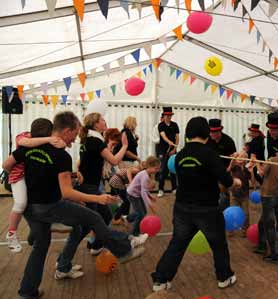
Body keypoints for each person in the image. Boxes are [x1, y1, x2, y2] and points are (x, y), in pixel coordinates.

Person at [2, 111, 146, 299]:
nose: (77, 136)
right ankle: (123, 251)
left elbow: (7, 165)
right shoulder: (61, 155)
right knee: (93, 217)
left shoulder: (29, 147)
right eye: (75, 132)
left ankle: (28, 292)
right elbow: (66, 192)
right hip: (49, 206)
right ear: (67, 131)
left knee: (41, 245)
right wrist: (97, 199)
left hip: (30, 208)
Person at [151, 116, 241, 292]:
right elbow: (226, 181)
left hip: (182, 208)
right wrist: (236, 182)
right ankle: (224, 277)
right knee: (218, 244)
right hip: (207, 209)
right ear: (206, 134)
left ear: (188, 134)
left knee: (177, 243)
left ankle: (160, 280)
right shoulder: (209, 154)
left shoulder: (180, 156)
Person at [6, 118, 66, 253]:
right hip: (18, 177)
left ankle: (38, 231)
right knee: (21, 203)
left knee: (35, 201)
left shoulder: (41, 142)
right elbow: (23, 143)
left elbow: (61, 145)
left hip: (28, 176)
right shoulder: (24, 136)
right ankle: (11, 234)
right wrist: (48, 140)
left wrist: (59, 143)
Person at [78, 112, 129, 255]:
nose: (104, 121)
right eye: (102, 120)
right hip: (90, 187)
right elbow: (114, 160)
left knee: (104, 216)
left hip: (91, 185)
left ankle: (96, 245)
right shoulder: (95, 141)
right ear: (96, 124)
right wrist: (124, 146)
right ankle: (64, 261)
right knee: (91, 223)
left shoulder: (89, 139)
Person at [207, 118, 237, 210]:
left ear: (219, 131)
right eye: (210, 132)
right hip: (211, 172)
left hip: (224, 172)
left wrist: (229, 168)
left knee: (224, 196)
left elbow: (233, 158)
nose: (211, 134)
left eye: (214, 132)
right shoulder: (207, 140)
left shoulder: (228, 141)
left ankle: (223, 214)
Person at [127, 156, 160, 236]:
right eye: (156, 168)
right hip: (133, 195)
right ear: (149, 167)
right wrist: (150, 204)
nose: (157, 170)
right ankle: (134, 234)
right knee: (141, 214)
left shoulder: (146, 174)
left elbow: (144, 190)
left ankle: (128, 218)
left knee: (142, 212)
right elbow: (143, 192)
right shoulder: (145, 176)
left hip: (136, 194)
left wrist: (150, 196)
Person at [157, 107, 179, 197]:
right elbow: (163, 135)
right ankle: (161, 189)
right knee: (163, 170)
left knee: (173, 169)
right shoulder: (161, 125)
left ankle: (174, 188)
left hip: (173, 150)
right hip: (163, 150)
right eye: (167, 115)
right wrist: (168, 142)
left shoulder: (175, 125)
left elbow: (177, 137)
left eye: (170, 115)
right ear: (164, 115)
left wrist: (174, 148)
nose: (169, 117)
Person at [229, 150, 251, 237]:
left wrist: (251, 171)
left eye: (243, 156)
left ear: (246, 159)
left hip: (244, 195)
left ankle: (246, 230)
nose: (240, 158)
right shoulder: (234, 168)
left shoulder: (246, 170)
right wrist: (232, 159)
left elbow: (252, 181)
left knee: (246, 214)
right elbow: (228, 169)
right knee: (232, 213)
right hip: (234, 194)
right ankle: (231, 229)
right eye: (239, 156)